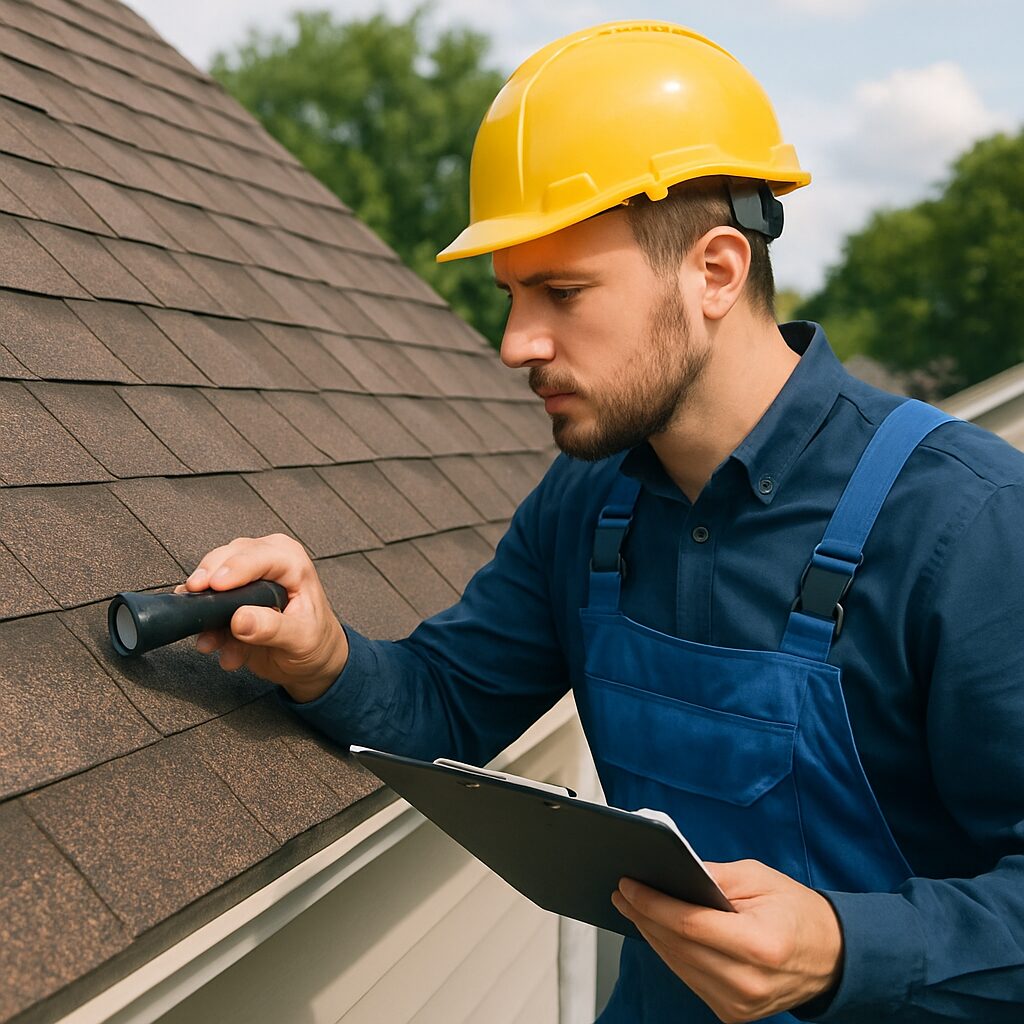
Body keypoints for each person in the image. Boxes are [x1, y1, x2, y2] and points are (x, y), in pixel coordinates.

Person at [180, 21, 1024, 1023]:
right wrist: (320, 659)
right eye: (508, 294)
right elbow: (448, 704)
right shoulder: (589, 505)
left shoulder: (965, 521)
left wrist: (846, 949)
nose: (513, 343)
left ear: (714, 271)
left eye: (560, 292)